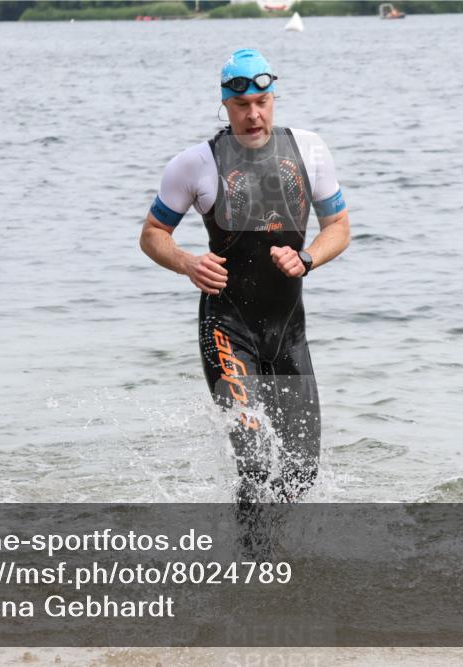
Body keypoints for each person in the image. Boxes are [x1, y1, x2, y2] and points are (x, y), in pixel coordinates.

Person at [139, 48, 351, 503]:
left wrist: (308, 258)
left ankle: (290, 565)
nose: (253, 115)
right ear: (225, 104)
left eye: (263, 102)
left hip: (288, 334)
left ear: (274, 97)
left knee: (301, 471)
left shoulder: (309, 150)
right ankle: (254, 570)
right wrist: (188, 262)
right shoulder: (195, 163)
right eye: (241, 106)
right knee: (254, 465)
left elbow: (339, 228)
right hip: (227, 330)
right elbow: (154, 234)